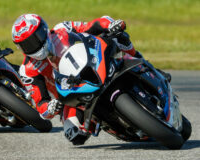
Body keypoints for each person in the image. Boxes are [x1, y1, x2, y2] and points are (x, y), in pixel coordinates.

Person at [11, 14, 156, 145]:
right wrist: (50, 107)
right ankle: (112, 125)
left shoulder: (62, 29)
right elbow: (40, 104)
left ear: (43, 30)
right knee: (74, 135)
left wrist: (110, 24)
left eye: (36, 38)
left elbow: (92, 25)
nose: (34, 46)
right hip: (70, 96)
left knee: (119, 36)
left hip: (90, 65)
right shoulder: (27, 70)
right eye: (27, 44)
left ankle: (146, 66)